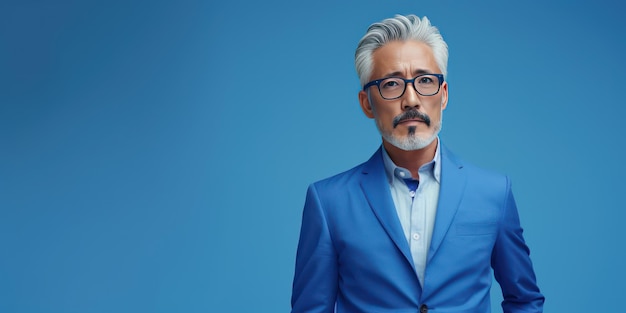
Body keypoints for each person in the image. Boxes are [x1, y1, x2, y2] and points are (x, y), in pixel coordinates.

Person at [291, 14, 544, 313]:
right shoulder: (329, 202)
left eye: (425, 80)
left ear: (444, 94)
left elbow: (524, 300)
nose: (411, 99)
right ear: (366, 103)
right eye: (391, 84)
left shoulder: (493, 193)